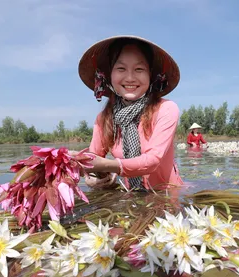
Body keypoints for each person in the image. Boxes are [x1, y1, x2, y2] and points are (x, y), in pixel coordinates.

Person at [76, 35, 184, 191]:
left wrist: (108, 165)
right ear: (108, 75)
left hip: (167, 196)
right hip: (131, 195)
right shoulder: (103, 119)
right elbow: (93, 160)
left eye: (139, 69)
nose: (130, 78)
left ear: (151, 75)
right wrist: (93, 178)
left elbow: (152, 161)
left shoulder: (166, 109)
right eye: (121, 69)